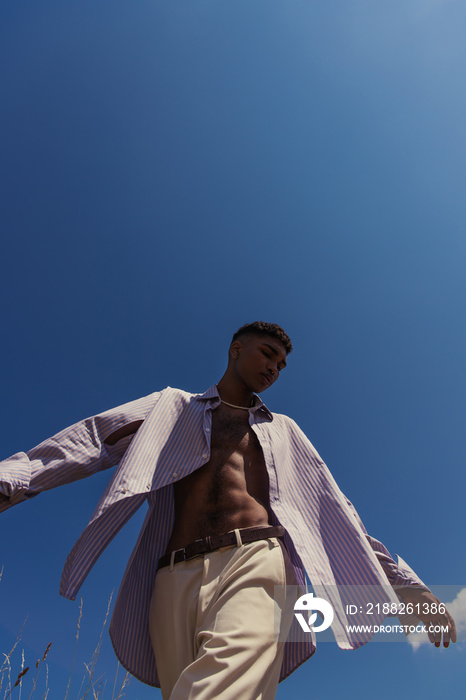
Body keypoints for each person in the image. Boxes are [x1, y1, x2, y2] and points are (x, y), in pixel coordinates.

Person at [0, 321, 456, 699]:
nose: (274, 368)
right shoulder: (170, 407)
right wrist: (15, 477)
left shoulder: (286, 431)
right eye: (266, 354)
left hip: (256, 562)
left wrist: (404, 587)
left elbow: (336, 515)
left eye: (281, 364)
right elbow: (93, 439)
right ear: (236, 349)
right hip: (170, 576)